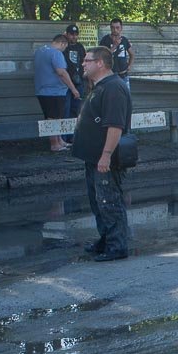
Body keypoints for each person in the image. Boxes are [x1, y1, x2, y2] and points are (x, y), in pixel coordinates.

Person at [72, 46, 133, 261]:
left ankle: (117, 246)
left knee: (109, 201)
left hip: (105, 159)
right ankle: (106, 239)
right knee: (98, 201)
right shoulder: (100, 86)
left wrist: (106, 154)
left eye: (87, 60)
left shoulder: (113, 88)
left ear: (100, 63)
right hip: (93, 158)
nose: (83, 64)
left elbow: (115, 126)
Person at [33, 33, 79, 152]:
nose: (64, 50)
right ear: (62, 43)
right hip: (54, 91)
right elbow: (61, 72)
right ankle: (55, 144)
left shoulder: (40, 51)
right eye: (65, 47)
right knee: (53, 118)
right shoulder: (56, 53)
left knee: (54, 116)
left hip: (41, 90)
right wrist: (73, 89)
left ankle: (60, 141)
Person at [62, 23, 87, 142]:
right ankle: (64, 137)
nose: (74, 37)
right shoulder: (63, 47)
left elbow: (85, 62)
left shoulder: (80, 47)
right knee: (65, 110)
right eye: (71, 34)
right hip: (65, 84)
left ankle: (73, 136)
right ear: (66, 34)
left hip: (79, 82)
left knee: (76, 110)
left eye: (76, 34)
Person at [99, 18, 134, 91]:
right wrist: (114, 46)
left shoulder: (124, 40)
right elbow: (102, 57)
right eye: (113, 27)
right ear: (110, 28)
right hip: (110, 75)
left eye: (117, 27)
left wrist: (129, 65)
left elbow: (132, 54)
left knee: (126, 98)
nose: (115, 30)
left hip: (123, 75)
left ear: (121, 28)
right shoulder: (105, 40)